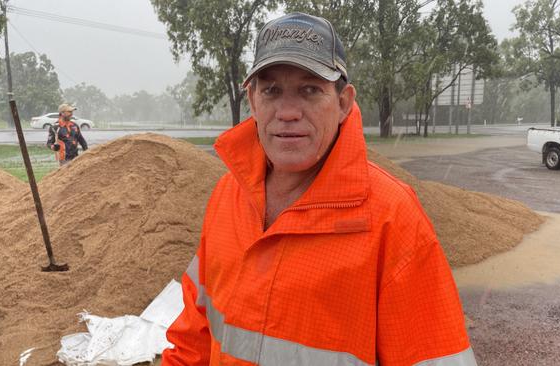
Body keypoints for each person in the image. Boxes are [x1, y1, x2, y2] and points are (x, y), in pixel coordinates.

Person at [163, 12, 476, 366]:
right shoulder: (226, 196)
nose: (288, 112)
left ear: (343, 103)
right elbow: (193, 338)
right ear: (252, 101)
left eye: (310, 90)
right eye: (271, 90)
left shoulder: (392, 218)